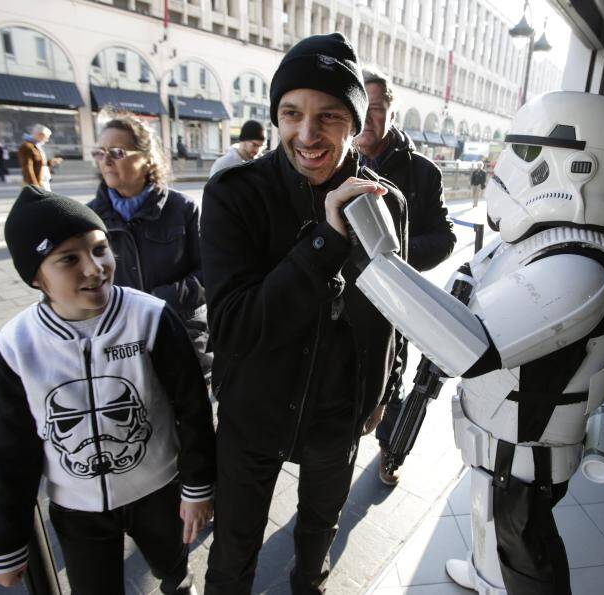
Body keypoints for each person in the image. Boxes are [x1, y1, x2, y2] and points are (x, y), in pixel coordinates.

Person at [344, 91, 604, 594]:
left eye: (524, 151)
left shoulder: (580, 265)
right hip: (501, 445)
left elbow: (470, 347)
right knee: (487, 529)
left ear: (580, 166)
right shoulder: (533, 242)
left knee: (523, 555)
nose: (504, 164)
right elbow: (466, 294)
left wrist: (374, 257)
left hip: (527, 456)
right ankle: (485, 578)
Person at [200, 32, 407, 594]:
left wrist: (383, 390)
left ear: (355, 123)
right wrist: (325, 241)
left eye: (330, 116)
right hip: (255, 410)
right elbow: (234, 326)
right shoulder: (234, 195)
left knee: (318, 532)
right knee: (234, 548)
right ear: (275, 116)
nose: (307, 134)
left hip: (337, 414)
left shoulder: (385, 200)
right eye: (291, 113)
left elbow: (397, 310)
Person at [0, 185, 216, 595]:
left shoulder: (149, 316)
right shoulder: (17, 344)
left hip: (158, 490)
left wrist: (198, 487)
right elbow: (9, 450)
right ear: (35, 276)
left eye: (100, 248)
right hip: (77, 508)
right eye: (69, 258)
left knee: (172, 564)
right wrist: (3, 542)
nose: (95, 268)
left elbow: (191, 407)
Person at [353, 67, 456, 486]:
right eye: (359, 108)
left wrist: (392, 253)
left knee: (394, 377)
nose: (366, 119)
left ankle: (389, 451)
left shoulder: (423, 171)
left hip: (398, 298)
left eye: (375, 108)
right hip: (347, 296)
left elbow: (446, 238)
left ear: (391, 110)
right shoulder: (334, 161)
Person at [87, 113, 213, 384]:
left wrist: (157, 301)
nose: (105, 161)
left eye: (117, 152)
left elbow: (210, 272)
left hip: (180, 334)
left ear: (147, 158)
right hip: (120, 341)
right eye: (100, 152)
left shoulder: (182, 209)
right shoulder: (89, 217)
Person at [18, 124, 62, 190]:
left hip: (42, 180)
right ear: (40, 135)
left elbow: (38, 163)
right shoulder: (27, 146)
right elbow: (27, 167)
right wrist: (34, 185)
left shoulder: (36, 145)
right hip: (37, 182)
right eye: (46, 137)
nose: (47, 140)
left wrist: (50, 162)